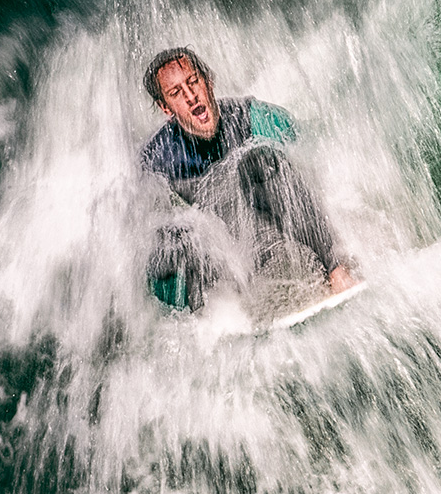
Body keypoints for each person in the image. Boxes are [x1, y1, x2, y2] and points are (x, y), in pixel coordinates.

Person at [140, 46, 357, 311]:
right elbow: (148, 244)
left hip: (274, 238)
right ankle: (205, 322)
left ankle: (336, 271)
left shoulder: (250, 117)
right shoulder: (159, 158)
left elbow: (312, 165)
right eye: (175, 93)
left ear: (208, 80)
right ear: (165, 107)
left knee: (260, 158)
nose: (190, 96)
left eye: (193, 81)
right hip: (223, 265)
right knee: (174, 231)